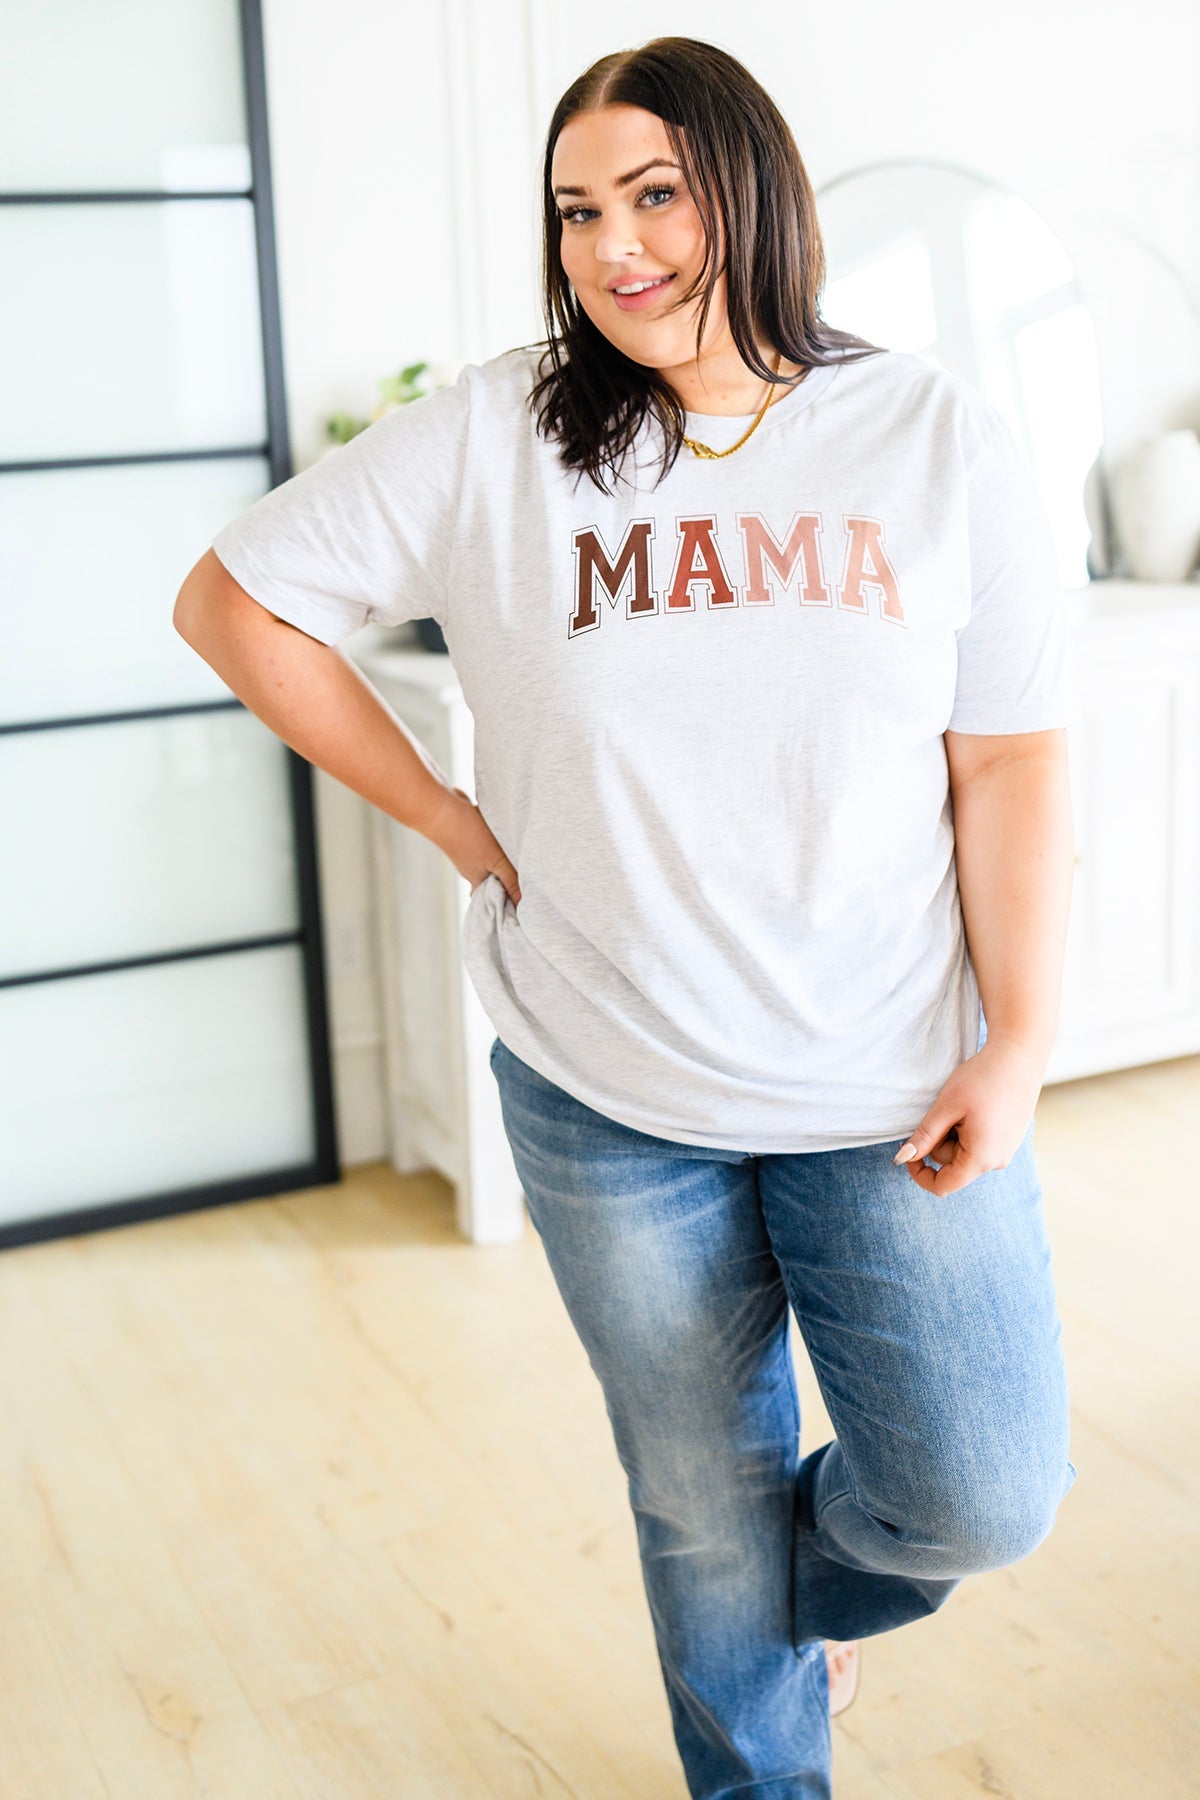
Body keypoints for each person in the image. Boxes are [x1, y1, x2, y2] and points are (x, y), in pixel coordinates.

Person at [174, 35, 1079, 1800]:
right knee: (694, 1493)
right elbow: (235, 605)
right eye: (577, 211)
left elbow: (1010, 760)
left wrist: (1027, 1036)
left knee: (981, 1495)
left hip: (890, 1084)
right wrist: (445, 814)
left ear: (753, 188)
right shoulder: (499, 433)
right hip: (607, 1091)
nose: (613, 247)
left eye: (655, 195)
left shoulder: (929, 433)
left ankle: (777, 1602)